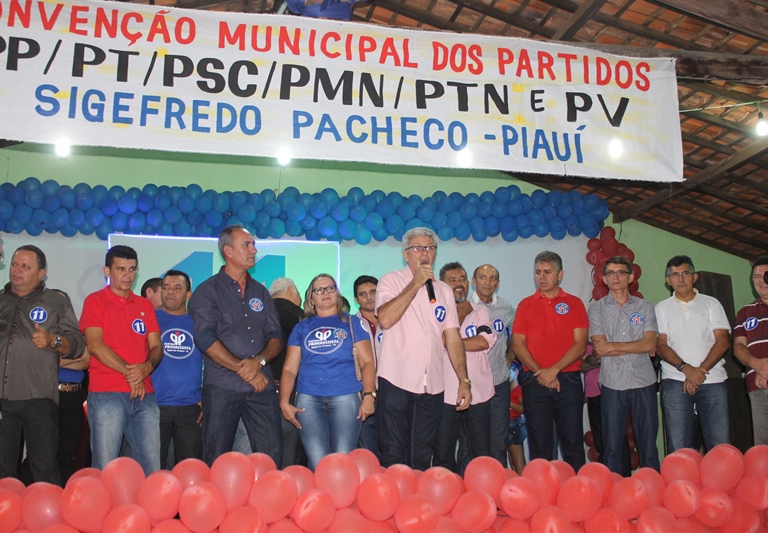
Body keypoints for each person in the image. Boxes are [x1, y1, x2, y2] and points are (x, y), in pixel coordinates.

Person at [375, 227, 471, 469]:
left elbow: (453, 338)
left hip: (433, 385)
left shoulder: (444, 291)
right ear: (405, 254)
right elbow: (385, 318)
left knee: (421, 456)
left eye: (429, 248)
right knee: (393, 453)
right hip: (396, 380)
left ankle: (416, 494)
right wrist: (415, 283)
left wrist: (464, 380)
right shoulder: (390, 281)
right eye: (417, 248)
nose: (424, 253)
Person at [188, 225, 283, 466]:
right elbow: (204, 338)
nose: (254, 250)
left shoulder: (261, 292)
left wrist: (258, 362)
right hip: (222, 386)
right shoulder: (207, 291)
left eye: (254, 244)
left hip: (261, 386)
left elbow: (275, 336)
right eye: (246, 245)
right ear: (228, 251)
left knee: (271, 458)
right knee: (216, 459)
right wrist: (244, 369)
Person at [0, 245, 84, 485]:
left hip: (39, 398)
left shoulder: (55, 302)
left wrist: (53, 340)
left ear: (41, 273)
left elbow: (77, 344)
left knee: (44, 467)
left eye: (25, 266)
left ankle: (46, 509)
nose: (17, 270)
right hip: (3, 399)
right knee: (3, 469)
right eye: (14, 264)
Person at [279, 274, 376, 470]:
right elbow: (289, 368)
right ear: (311, 298)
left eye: (330, 288)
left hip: (346, 397)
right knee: (318, 463)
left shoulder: (353, 323)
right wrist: (284, 401)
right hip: (308, 399)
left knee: (342, 461)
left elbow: (367, 362)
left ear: (337, 294)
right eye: (319, 289)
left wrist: (369, 395)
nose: (325, 292)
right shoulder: (301, 327)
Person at [80, 245, 162, 475]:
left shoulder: (144, 305)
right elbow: (94, 345)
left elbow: (157, 346)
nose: (128, 275)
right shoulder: (95, 301)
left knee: (151, 468)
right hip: (107, 393)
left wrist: (146, 368)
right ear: (107, 271)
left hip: (145, 394)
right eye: (121, 269)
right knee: (106, 467)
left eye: (132, 269)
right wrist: (132, 374)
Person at [511, 251, 588, 471]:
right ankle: (542, 489)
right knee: (540, 445)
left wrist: (553, 370)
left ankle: (577, 488)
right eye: (537, 272)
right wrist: (542, 372)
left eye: (547, 272)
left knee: (572, 442)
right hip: (535, 380)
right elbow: (517, 344)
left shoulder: (574, 303)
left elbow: (581, 344)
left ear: (560, 274)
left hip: (568, 380)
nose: (542, 277)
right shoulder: (526, 305)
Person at [589, 255, 660, 474]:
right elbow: (600, 348)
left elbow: (650, 343)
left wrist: (612, 346)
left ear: (630, 277)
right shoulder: (596, 309)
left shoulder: (645, 307)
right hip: (612, 383)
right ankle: (614, 491)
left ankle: (652, 490)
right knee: (611, 447)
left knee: (648, 445)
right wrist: (637, 345)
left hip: (643, 381)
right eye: (611, 273)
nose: (616, 277)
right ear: (604, 279)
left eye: (621, 272)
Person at [656, 255, 731, 453]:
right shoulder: (661, 308)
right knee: (679, 449)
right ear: (668, 280)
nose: (681, 279)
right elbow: (660, 346)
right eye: (675, 275)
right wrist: (686, 369)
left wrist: (699, 372)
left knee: (720, 447)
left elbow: (723, 341)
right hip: (675, 381)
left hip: (712, 380)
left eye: (685, 273)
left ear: (695, 277)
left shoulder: (712, 303)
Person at [433, 262, 496, 475]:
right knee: (443, 454)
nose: (459, 284)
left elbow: (484, 341)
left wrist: (450, 343)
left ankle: (481, 492)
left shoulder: (480, 310)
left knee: (481, 453)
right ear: (441, 285)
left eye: (462, 279)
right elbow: (436, 343)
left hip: (479, 393)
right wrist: (459, 316)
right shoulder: (435, 313)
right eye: (452, 280)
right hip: (444, 395)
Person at [153, 270, 204, 468]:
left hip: (191, 407)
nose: (170, 292)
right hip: (154, 406)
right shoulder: (151, 319)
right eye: (166, 288)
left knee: (190, 470)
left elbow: (213, 362)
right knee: (153, 469)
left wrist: (207, 397)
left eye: (177, 288)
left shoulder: (199, 323)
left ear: (188, 295)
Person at [469, 264, 516, 466]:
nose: (487, 282)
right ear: (473, 281)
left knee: (499, 439)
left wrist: (511, 353)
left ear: (498, 283)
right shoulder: (464, 306)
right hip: (472, 383)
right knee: (471, 442)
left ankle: (499, 480)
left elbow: (518, 332)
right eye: (482, 277)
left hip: (499, 381)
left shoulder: (505, 307)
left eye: (492, 278)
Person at [268, 277, 307, 467]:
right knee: (290, 451)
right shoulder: (291, 311)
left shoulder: (260, 311)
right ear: (291, 290)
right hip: (288, 390)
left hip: (263, 387)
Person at [734, 255, 768, 445]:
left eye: (766, 275)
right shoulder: (745, 312)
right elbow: (738, 347)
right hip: (757, 388)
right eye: (756, 276)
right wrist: (757, 365)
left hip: (762, 377)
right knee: (762, 449)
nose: (761, 280)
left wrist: (765, 368)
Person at [353, 274, 382, 458]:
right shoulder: (350, 325)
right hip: (363, 396)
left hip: (393, 394)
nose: (369, 297)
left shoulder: (394, 320)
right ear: (356, 300)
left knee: (394, 447)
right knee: (368, 451)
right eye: (363, 294)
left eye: (373, 292)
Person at [507, 366, 526, 475]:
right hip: (507, 425)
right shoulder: (506, 390)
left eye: (509, 371)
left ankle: (523, 481)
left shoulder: (518, 390)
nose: (507, 374)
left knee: (518, 462)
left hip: (514, 424)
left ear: (516, 372)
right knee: (512, 460)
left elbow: (524, 409)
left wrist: (508, 403)